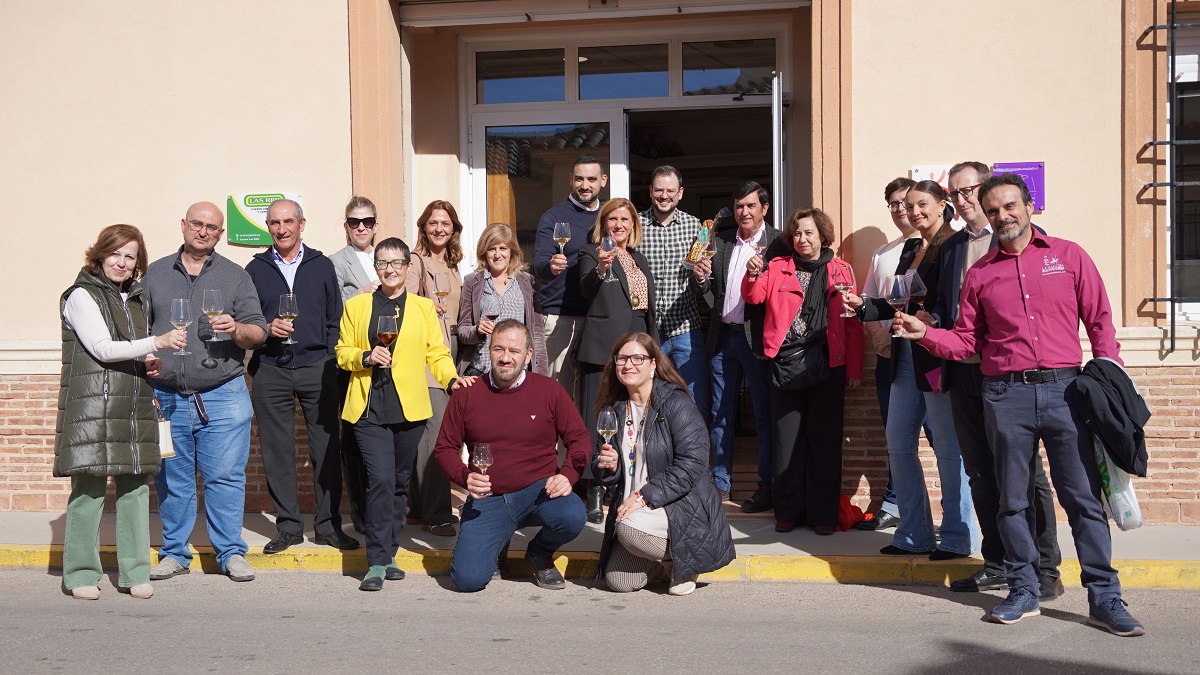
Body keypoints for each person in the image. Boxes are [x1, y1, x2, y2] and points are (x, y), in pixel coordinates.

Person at [893, 173, 1144, 636]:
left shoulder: (1069, 256)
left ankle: (1105, 597)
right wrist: (925, 333)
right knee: (1011, 500)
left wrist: (1109, 375)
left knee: (1084, 500)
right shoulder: (981, 274)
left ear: (1030, 206)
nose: (1002, 216)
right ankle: (1023, 588)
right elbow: (968, 341)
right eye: (993, 211)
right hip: (1004, 395)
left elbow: (1101, 321)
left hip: (1067, 393)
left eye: (1010, 206)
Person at [936, 162, 1062, 598]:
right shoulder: (951, 247)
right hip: (963, 375)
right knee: (981, 475)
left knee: (1028, 476)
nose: (962, 198)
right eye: (954, 193)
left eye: (969, 189)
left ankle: (1045, 569)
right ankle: (998, 562)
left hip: (1008, 378)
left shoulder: (1012, 236)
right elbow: (949, 312)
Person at [847, 181, 979, 558]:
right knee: (898, 445)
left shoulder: (955, 245)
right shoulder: (910, 248)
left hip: (936, 356)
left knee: (949, 451)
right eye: (910, 205)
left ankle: (957, 537)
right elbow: (896, 302)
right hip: (903, 355)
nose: (915, 211)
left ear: (942, 206)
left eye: (923, 204)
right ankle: (914, 534)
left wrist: (934, 320)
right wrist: (862, 307)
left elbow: (956, 302)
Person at [56, 225, 188, 600]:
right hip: (93, 408)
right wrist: (156, 342)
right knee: (89, 491)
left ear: (136, 265)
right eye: (115, 253)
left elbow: (127, 349)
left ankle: (134, 572)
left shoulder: (134, 298)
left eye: (130, 257)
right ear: (99, 255)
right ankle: (81, 574)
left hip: (133, 403)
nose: (122, 261)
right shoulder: (81, 295)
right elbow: (102, 347)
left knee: (135, 490)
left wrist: (148, 360)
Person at [335, 237, 473, 591]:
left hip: (409, 409)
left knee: (398, 485)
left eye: (397, 263)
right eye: (383, 263)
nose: (391, 270)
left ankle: (390, 551)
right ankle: (377, 561)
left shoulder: (423, 308)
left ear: (408, 267)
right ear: (376, 268)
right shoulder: (357, 306)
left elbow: (437, 353)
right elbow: (342, 352)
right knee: (379, 480)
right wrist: (366, 356)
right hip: (368, 408)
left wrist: (452, 379)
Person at [145, 202, 267, 583]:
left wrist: (235, 329)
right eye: (197, 224)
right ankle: (175, 553)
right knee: (172, 478)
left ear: (219, 233)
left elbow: (258, 333)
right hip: (166, 394)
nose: (203, 231)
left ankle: (230, 552)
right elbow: (139, 330)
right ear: (183, 225)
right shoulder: (154, 273)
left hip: (223, 391)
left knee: (226, 477)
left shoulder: (235, 276)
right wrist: (148, 357)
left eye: (212, 227)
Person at [434, 320, 591, 593]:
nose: (506, 358)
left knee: (573, 515)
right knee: (468, 580)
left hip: (538, 492)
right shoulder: (467, 394)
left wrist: (568, 475)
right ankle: (497, 542)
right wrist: (464, 477)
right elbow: (445, 448)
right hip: (488, 497)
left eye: (515, 351)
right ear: (489, 351)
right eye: (499, 349)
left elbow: (580, 440)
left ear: (528, 355)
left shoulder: (550, 391)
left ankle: (539, 554)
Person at [245, 199, 357, 554]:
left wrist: (328, 356)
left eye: (288, 221)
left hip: (318, 368)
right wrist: (265, 327)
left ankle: (327, 527)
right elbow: (246, 319)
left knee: (326, 450)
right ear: (268, 226)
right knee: (277, 452)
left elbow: (334, 317)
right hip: (271, 367)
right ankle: (289, 527)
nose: (282, 229)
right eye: (275, 223)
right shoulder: (255, 268)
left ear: (301, 224)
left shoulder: (321, 265)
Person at [742, 208, 863, 534]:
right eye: (796, 233)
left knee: (824, 442)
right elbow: (752, 296)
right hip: (785, 365)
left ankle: (822, 515)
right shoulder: (778, 267)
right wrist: (752, 272)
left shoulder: (841, 270)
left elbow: (852, 322)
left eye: (809, 232)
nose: (802, 239)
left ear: (823, 235)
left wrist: (854, 365)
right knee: (787, 442)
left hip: (829, 364)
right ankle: (789, 512)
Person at [592, 332, 735, 595]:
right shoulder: (613, 408)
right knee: (619, 582)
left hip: (679, 504)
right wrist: (609, 467)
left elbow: (693, 462)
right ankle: (664, 562)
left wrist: (644, 496)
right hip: (639, 507)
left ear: (654, 365)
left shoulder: (675, 403)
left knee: (627, 530)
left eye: (638, 358)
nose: (628, 365)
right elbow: (599, 464)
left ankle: (683, 562)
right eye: (622, 358)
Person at [691, 181, 779, 508]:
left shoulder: (779, 243)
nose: (744, 212)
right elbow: (707, 289)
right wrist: (700, 278)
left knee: (763, 415)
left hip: (756, 339)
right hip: (722, 337)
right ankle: (720, 487)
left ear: (764, 209)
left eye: (751, 206)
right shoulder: (721, 241)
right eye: (739, 206)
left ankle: (766, 487)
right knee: (720, 414)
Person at [855, 177, 921, 532]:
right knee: (895, 435)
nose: (900, 210)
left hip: (929, 354)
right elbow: (868, 304)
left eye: (905, 203)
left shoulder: (937, 246)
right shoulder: (883, 254)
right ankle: (895, 503)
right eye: (893, 204)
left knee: (945, 438)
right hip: (888, 357)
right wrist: (879, 337)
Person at [404, 200, 467, 538]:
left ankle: (417, 509)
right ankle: (437, 514)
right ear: (424, 227)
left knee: (428, 434)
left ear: (453, 229)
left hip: (452, 352)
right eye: (433, 223)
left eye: (445, 223)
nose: (439, 228)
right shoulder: (416, 261)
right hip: (429, 356)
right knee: (439, 433)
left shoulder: (454, 264)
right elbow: (404, 300)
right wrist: (429, 305)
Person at [532, 154, 608, 397]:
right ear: (571, 180)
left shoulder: (610, 217)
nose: (585, 185)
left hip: (599, 318)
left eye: (591, 179)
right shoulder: (554, 217)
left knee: (593, 396)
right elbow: (539, 263)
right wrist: (551, 266)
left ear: (603, 181)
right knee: (558, 394)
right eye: (579, 179)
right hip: (561, 317)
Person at [328, 195, 381, 533]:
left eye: (368, 221)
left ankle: (387, 508)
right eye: (354, 222)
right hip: (356, 361)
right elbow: (331, 308)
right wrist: (361, 294)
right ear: (345, 226)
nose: (361, 227)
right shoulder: (334, 262)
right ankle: (361, 512)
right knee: (355, 439)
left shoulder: (392, 253)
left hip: (392, 360)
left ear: (376, 225)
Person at [637, 166, 708, 411]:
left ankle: (694, 450)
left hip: (685, 327)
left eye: (670, 191)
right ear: (650, 192)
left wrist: (701, 277)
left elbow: (704, 280)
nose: (664, 195)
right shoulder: (636, 225)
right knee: (648, 398)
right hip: (648, 330)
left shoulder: (696, 227)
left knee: (694, 398)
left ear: (680, 193)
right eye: (659, 190)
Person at [458, 222, 548, 377]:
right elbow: (463, 330)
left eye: (503, 248)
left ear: (512, 251)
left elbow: (537, 334)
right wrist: (477, 330)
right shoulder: (472, 282)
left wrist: (541, 375)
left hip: (517, 373)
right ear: (484, 252)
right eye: (492, 249)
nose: (497, 254)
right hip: (481, 370)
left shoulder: (528, 282)